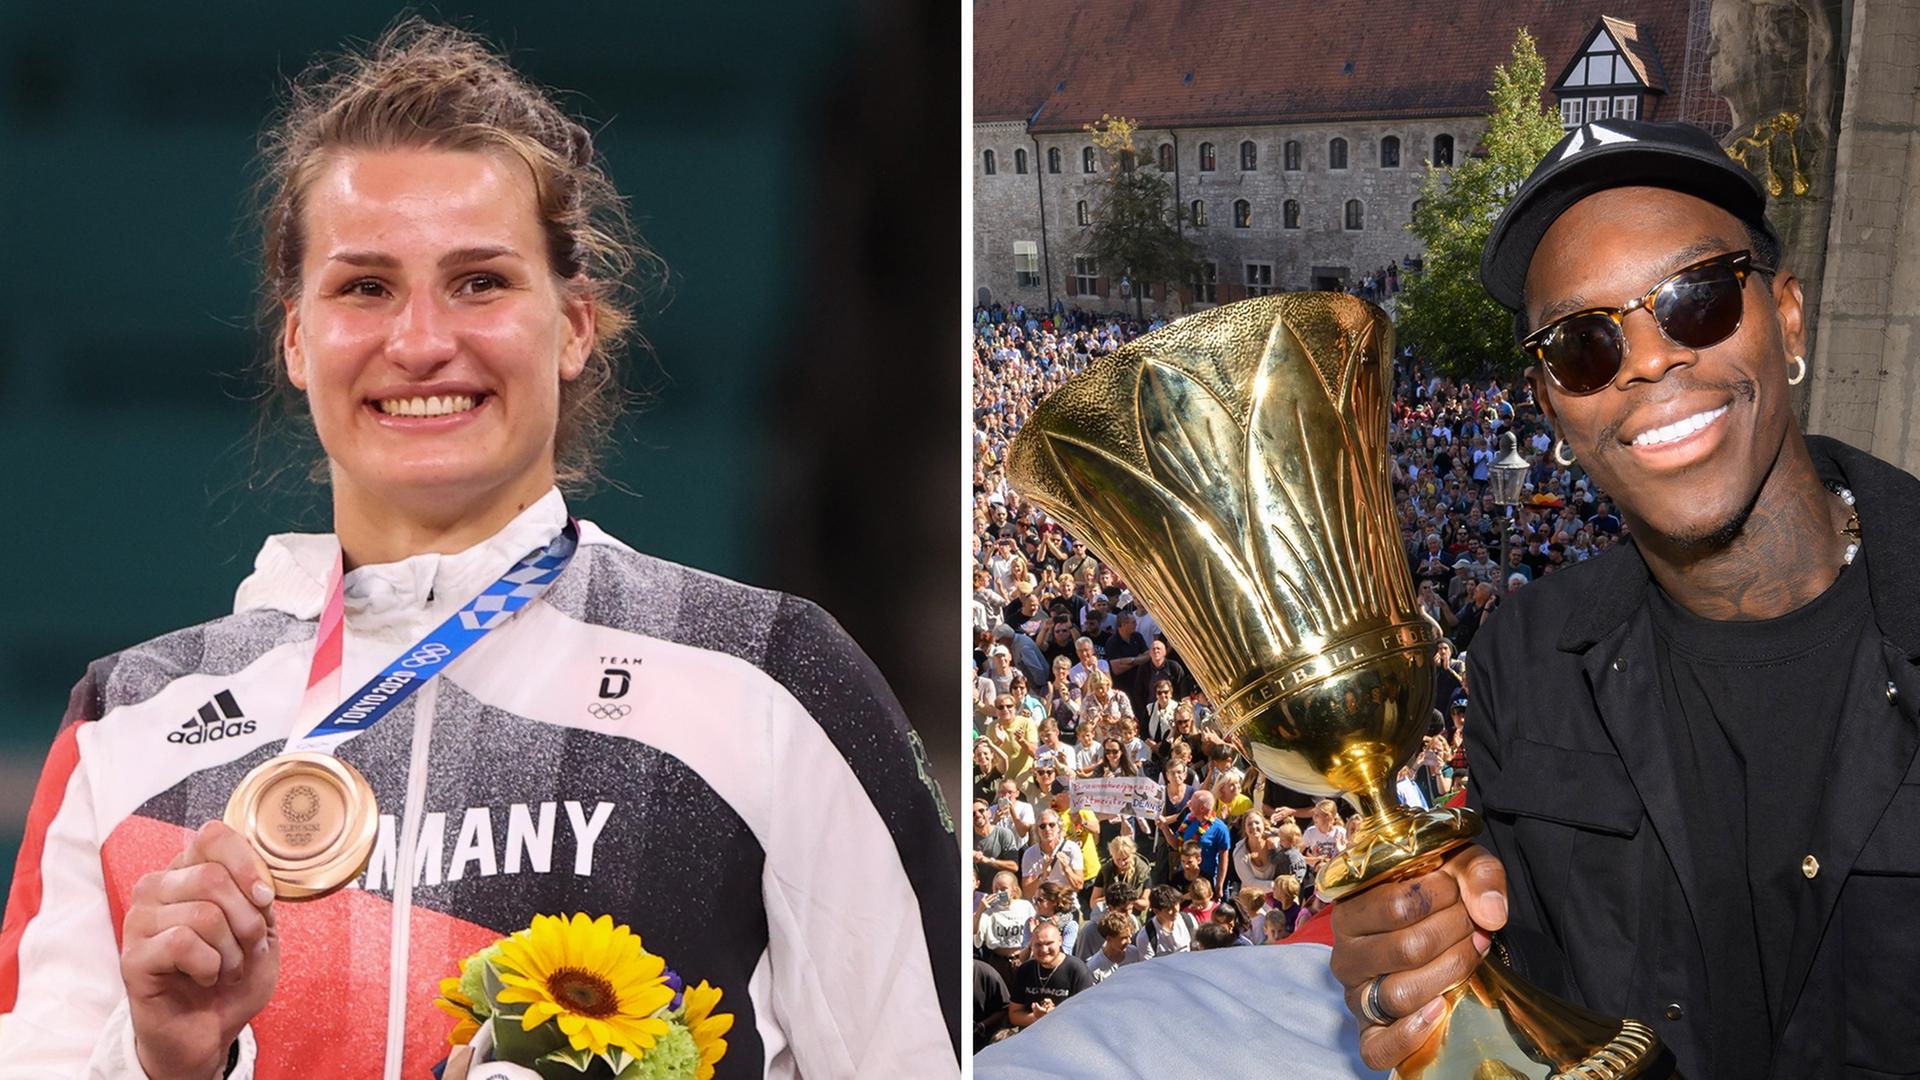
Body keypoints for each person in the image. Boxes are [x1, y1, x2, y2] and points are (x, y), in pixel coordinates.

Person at [0, 21, 955, 1078]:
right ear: (296, 337)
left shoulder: (767, 674)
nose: (419, 341)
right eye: (364, 287)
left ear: (576, 325)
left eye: (481, 282)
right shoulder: (129, 722)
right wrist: (163, 1060)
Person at [1332, 119, 1920, 1077]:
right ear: (1552, 404)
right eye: (1583, 344)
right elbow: (1542, 984)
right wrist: (1435, 959)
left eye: (1696, 300)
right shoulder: (1527, 663)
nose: (1647, 362)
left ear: (1791, 316)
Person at [1006, 922, 1092, 1029]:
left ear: (1060, 941)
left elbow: (1085, 1015)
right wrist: (1036, 1018)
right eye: (1038, 944)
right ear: (1031, 945)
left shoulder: (1077, 970)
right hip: (1030, 1038)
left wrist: (1053, 1015)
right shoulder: (1025, 970)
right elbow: (1014, 1015)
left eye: (1049, 943)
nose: (1044, 950)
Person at [972, 800, 1023, 893]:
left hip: (1003, 892)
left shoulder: (1004, 834)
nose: (977, 815)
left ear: (989, 812)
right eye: (973, 813)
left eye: (981, 810)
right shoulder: (968, 838)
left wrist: (986, 860)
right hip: (979, 895)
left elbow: (1014, 866)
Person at [1084, 909, 1142, 984]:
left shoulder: (1134, 953)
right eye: (1123, 938)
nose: (1129, 942)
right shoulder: (1093, 968)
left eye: (1129, 937)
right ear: (1109, 939)